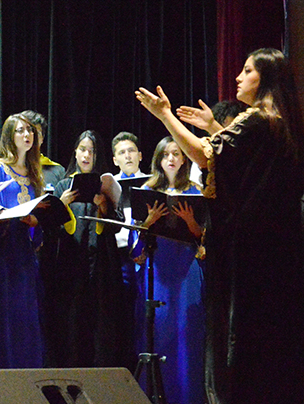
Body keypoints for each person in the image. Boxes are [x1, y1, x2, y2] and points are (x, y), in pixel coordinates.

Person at [136, 48, 304, 404]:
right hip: (279, 257)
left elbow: (207, 155)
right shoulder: (284, 123)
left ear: (265, 78)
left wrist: (166, 116)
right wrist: (216, 128)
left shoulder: (258, 118)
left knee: (241, 344)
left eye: (247, 70)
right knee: (271, 345)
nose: (238, 76)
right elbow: (240, 160)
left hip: (248, 255)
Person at [134, 136, 206, 404]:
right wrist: (149, 221)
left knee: (187, 334)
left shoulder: (195, 191)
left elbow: (204, 239)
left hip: (186, 270)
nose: (172, 159)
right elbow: (136, 247)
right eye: (166, 155)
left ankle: (187, 397)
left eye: (177, 154)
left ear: (184, 158)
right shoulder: (147, 190)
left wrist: (191, 222)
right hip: (158, 270)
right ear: (159, 160)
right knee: (159, 332)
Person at [44, 130, 122, 368]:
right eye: (83, 149)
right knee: (71, 323)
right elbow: (50, 228)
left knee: (100, 324)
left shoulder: (105, 184)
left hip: (100, 266)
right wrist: (62, 203)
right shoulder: (63, 185)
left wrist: (103, 206)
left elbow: (116, 226)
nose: (87, 155)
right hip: (69, 266)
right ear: (75, 152)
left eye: (92, 151)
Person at [0, 113, 45, 368]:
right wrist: (1, 217)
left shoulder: (34, 173)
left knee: (25, 316)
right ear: (9, 136)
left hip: (25, 255)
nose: (27, 135)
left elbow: (39, 214)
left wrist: (36, 222)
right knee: (3, 315)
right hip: (2, 253)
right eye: (20, 131)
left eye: (30, 131)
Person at [110, 131, 145, 370]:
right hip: (119, 255)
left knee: (142, 309)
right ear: (115, 159)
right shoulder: (109, 183)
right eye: (122, 152)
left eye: (131, 151)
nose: (128, 155)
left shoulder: (152, 181)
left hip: (145, 256)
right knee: (120, 311)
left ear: (141, 156)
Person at [22, 110, 67, 193]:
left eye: (37, 134)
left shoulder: (57, 171)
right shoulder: (8, 168)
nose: (32, 138)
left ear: (42, 139)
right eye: (29, 132)